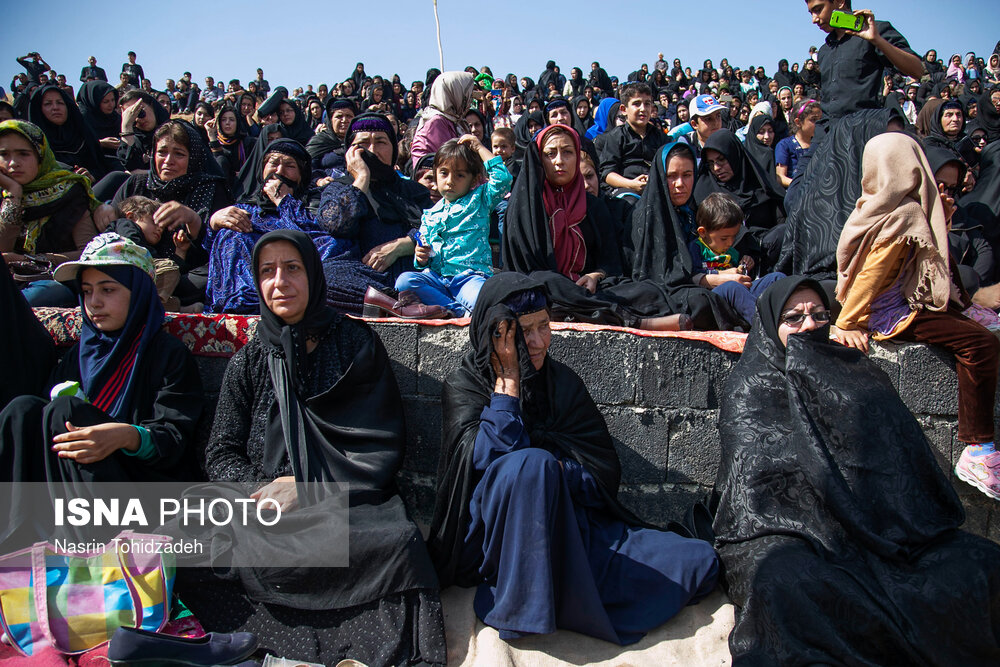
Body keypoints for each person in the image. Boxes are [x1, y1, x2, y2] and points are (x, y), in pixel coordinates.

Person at [179, 230, 447, 666]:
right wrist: (263, 491)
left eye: (292, 268)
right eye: (267, 271)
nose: (279, 281)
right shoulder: (249, 359)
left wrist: (309, 487)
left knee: (398, 543)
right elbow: (220, 451)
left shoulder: (354, 343)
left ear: (313, 274)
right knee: (189, 527)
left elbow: (379, 446)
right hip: (260, 501)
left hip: (340, 500)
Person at [713, 274, 1000, 664]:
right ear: (769, 324)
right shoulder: (749, 387)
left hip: (877, 526)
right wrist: (830, 527)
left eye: (818, 314)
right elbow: (757, 488)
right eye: (793, 318)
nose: (809, 325)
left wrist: (870, 524)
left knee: (979, 564)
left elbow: (893, 457)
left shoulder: (850, 369)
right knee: (785, 584)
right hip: (789, 529)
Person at [426, 272, 718, 643]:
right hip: (497, 540)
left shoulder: (562, 383)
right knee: (531, 465)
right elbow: (481, 465)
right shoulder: (464, 384)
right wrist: (508, 389)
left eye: (543, 327)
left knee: (698, 562)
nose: (536, 342)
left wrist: (560, 475)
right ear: (493, 334)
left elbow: (602, 473)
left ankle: (559, 589)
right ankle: (522, 604)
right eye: (520, 332)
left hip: (570, 526)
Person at [0, 232, 205, 547]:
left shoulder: (166, 355)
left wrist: (125, 435)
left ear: (138, 294)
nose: (94, 302)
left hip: (138, 492)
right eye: (86, 291)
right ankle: (14, 542)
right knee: (22, 409)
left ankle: (85, 552)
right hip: (70, 492)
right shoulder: (79, 354)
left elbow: (175, 438)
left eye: (108, 290)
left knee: (65, 411)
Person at [833, 132, 1000, 497]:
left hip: (893, 304)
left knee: (973, 330)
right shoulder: (905, 213)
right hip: (892, 314)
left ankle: (968, 311)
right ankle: (978, 447)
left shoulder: (873, 205)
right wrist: (848, 322)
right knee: (980, 345)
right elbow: (873, 272)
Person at [503, 124, 688, 330]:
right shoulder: (526, 206)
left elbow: (610, 262)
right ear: (539, 158)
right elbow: (522, 268)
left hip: (588, 289)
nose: (559, 161)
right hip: (544, 290)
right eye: (550, 154)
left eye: (567, 152)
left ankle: (582, 310)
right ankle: (631, 320)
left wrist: (595, 275)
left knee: (647, 291)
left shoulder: (594, 206)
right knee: (543, 281)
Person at [317, 113, 439, 315]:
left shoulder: (413, 191)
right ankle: (392, 302)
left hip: (413, 276)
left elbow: (439, 227)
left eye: (381, 142)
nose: (372, 149)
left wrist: (402, 246)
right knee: (322, 276)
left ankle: (393, 303)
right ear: (349, 152)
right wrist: (361, 179)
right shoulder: (338, 189)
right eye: (363, 143)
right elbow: (335, 223)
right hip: (362, 278)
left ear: (393, 148)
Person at [110, 120, 231, 309]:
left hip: (186, 275)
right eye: (162, 152)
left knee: (213, 276)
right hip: (132, 268)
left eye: (179, 154)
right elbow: (112, 229)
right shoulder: (136, 185)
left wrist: (193, 220)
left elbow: (221, 248)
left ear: (193, 158)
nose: (168, 161)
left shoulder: (211, 189)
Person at [630, 142, 749, 330]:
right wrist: (713, 279)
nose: (680, 184)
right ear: (660, 177)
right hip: (666, 292)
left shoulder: (692, 211)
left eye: (687, 175)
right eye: (671, 176)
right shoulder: (647, 217)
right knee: (700, 302)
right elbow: (655, 277)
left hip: (703, 279)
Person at [0, 119, 116, 306]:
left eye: (23, 154)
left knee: (41, 296)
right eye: (4, 154)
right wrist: (14, 192)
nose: (13, 163)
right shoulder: (4, 193)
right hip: (11, 281)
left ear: (40, 156)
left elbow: (88, 253)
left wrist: (28, 260)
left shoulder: (69, 192)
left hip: (52, 280)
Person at [393, 135, 511, 317]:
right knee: (404, 282)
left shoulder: (479, 200)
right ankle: (454, 311)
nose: (450, 181)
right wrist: (420, 257)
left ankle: (459, 309)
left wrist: (479, 147)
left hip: (469, 278)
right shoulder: (430, 214)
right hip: (437, 280)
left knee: (482, 299)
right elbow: (424, 255)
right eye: (444, 173)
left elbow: (502, 179)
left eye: (460, 175)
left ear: (473, 180)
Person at [805, 0, 924, 120]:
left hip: (864, 128)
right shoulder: (824, 51)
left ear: (840, 2)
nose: (814, 19)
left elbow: (917, 70)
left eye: (818, 10)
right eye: (811, 13)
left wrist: (877, 40)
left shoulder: (875, 32)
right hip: (829, 132)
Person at [694, 130, 786, 269]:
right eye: (711, 163)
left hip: (767, 250)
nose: (717, 168)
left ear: (735, 156)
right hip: (726, 257)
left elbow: (780, 219)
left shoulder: (757, 183)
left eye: (722, 160)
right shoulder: (704, 189)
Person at [689, 192, 785, 323]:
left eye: (733, 237)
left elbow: (738, 273)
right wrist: (721, 274)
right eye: (724, 238)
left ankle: (787, 319)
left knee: (776, 278)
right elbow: (692, 275)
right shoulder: (696, 248)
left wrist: (743, 266)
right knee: (733, 288)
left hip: (739, 292)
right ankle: (763, 326)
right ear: (703, 232)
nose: (729, 242)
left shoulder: (731, 251)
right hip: (714, 295)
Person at [28, 84, 109, 181]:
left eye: (60, 103)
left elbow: (100, 166)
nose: (55, 107)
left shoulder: (82, 134)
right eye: (48, 104)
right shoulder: (35, 144)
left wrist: (91, 176)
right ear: (39, 109)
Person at [599, 83, 663, 197]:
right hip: (625, 190)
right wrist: (631, 184)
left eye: (647, 104)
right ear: (624, 109)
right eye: (636, 104)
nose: (643, 109)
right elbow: (607, 174)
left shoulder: (661, 137)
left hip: (656, 188)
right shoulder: (615, 137)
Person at [410, 71, 476, 170]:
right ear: (455, 93)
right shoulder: (436, 122)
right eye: (467, 95)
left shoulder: (455, 120)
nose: (470, 100)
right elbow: (451, 163)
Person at [775, 99, 822, 186]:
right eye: (813, 120)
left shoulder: (821, 144)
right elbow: (780, 177)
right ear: (798, 122)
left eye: (820, 119)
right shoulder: (785, 145)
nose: (818, 123)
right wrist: (802, 185)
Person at [306, 98, 356, 170]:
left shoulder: (361, 140)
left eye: (349, 116)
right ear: (330, 120)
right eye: (339, 116)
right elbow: (308, 168)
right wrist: (318, 180)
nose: (344, 120)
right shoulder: (319, 141)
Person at [681, 94, 726, 161]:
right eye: (708, 119)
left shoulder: (727, 141)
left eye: (718, 116)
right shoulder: (686, 144)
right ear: (694, 124)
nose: (716, 122)